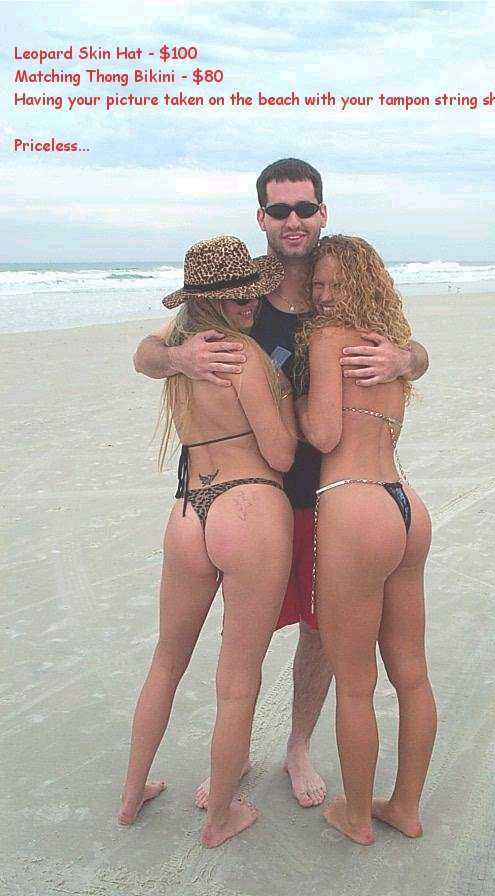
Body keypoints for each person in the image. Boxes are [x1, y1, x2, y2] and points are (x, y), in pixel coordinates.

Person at [133, 159, 429, 808]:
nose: (293, 220)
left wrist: (406, 357)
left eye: (304, 208)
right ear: (261, 218)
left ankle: (298, 746)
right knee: (246, 634)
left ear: (322, 212)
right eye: (279, 209)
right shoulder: (239, 292)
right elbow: (146, 354)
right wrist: (180, 356)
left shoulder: (339, 282)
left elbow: (414, 348)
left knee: (321, 635)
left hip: (328, 496)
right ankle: (232, 755)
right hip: (253, 502)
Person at [118, 236, 297, 849]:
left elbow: (145, 355)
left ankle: (131, 794)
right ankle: (220, 816)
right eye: (236, 294)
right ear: (212, 299)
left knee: (166, 661)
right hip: (249, 504)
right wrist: (287, 398)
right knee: (237, 678)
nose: (250, 302)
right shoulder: (243, 356)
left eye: (251, 291)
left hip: (189, 510)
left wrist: (173, 357)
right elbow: (280, 453)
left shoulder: (183, 352)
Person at [294, 235, 436, 846]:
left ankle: (355, 815)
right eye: (317, 285)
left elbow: (325, 434)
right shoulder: (392, 344)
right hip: (403, 503)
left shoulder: (328, 339)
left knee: (355, 683)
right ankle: (404, 806)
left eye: (335, 284)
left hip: (353, 503)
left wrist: (293, 399)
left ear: (360, 284)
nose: (324, 296)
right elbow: (415, 363)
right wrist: (410, 357)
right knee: (413, 674)